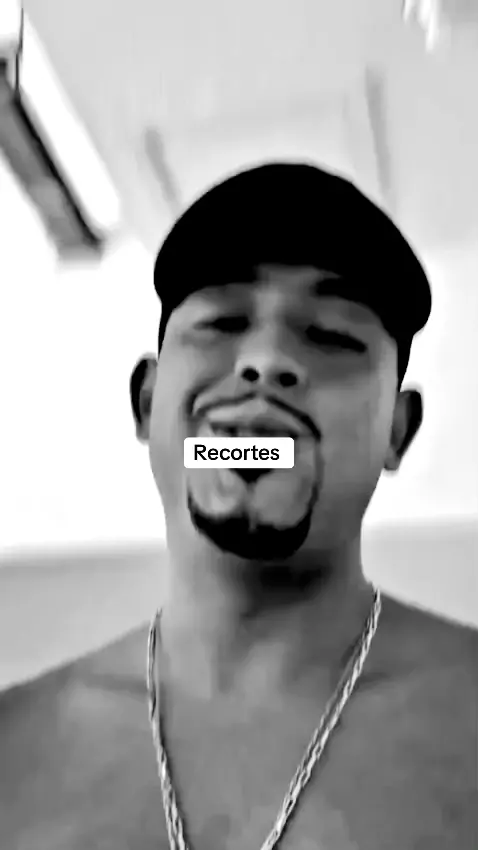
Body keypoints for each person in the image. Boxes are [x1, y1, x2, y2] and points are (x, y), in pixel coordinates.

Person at [1, 162, 476, 850]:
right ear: (147, 401)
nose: (266, 360)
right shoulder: (15, 750)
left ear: (396, 432)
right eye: (222, 321)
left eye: (332, 336)